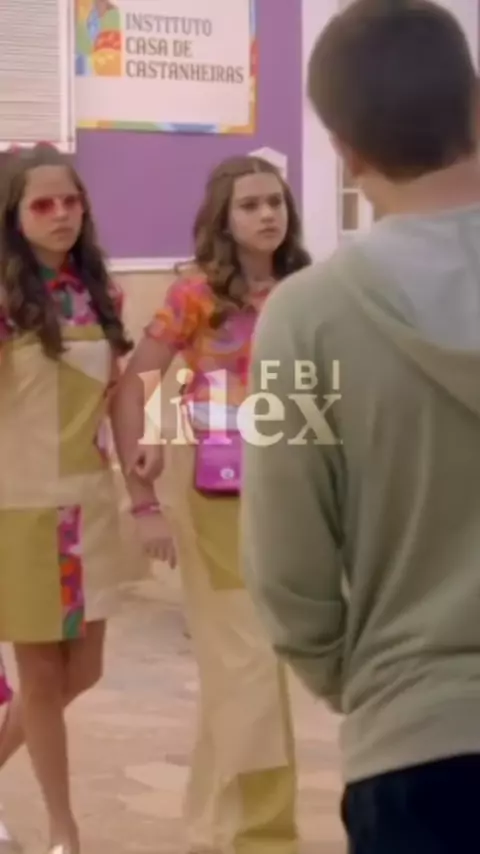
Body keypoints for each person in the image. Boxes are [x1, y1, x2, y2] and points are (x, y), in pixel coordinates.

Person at [240, 2, 480, 853]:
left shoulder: (299, 320)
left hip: (416, 745)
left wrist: (366, 681)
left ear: (343, 149)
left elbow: (284, 562)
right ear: (475, 103)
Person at [111, 155, 311, 854]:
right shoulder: (195, 296)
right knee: (249, 660)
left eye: (275, 201)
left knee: (247, 664)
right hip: (214, 491)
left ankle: (212, 825)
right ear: (224, 219)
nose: (267, 214)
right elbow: (135, 384)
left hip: (293, 490)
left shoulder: (306, 290)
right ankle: (263, 837)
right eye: (250, 205)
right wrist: (143, 495)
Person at [0, 143, 133, 854]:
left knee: (85, 670)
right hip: (18, 507)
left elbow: (119, 394)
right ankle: (64, 831)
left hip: (88, 504)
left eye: (70, 200)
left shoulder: (100, 291)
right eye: (43, 204)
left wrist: (141, 479)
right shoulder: (4, 296)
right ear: (14, 216)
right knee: (42, 677)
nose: (61, 214)